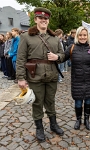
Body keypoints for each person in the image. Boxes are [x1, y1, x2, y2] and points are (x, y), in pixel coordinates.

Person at [16, 7, 65, 142]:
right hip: (34, 76)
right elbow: (21, 58)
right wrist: (20, 78)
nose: (43, 20)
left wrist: (58, 57)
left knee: (50, 101)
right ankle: (39, 128)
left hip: (51, 75)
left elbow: (62, 54)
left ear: (48, 21)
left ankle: (53, 124)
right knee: (37, 103)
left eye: (46, 18)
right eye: (41, 18)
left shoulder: (54, 37)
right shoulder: (26, 36)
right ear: (36, 19)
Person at [64, 26, 90, 131]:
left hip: (89, 79)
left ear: (87, 36)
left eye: (84, 35)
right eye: (80, 35)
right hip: (77, 79)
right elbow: (62, 57)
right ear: (77, 36)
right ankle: (78, 120)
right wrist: (55, 57)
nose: (82, 37)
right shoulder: (72, 47)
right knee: (78, 101)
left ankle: (86, 120)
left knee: (88, 100)